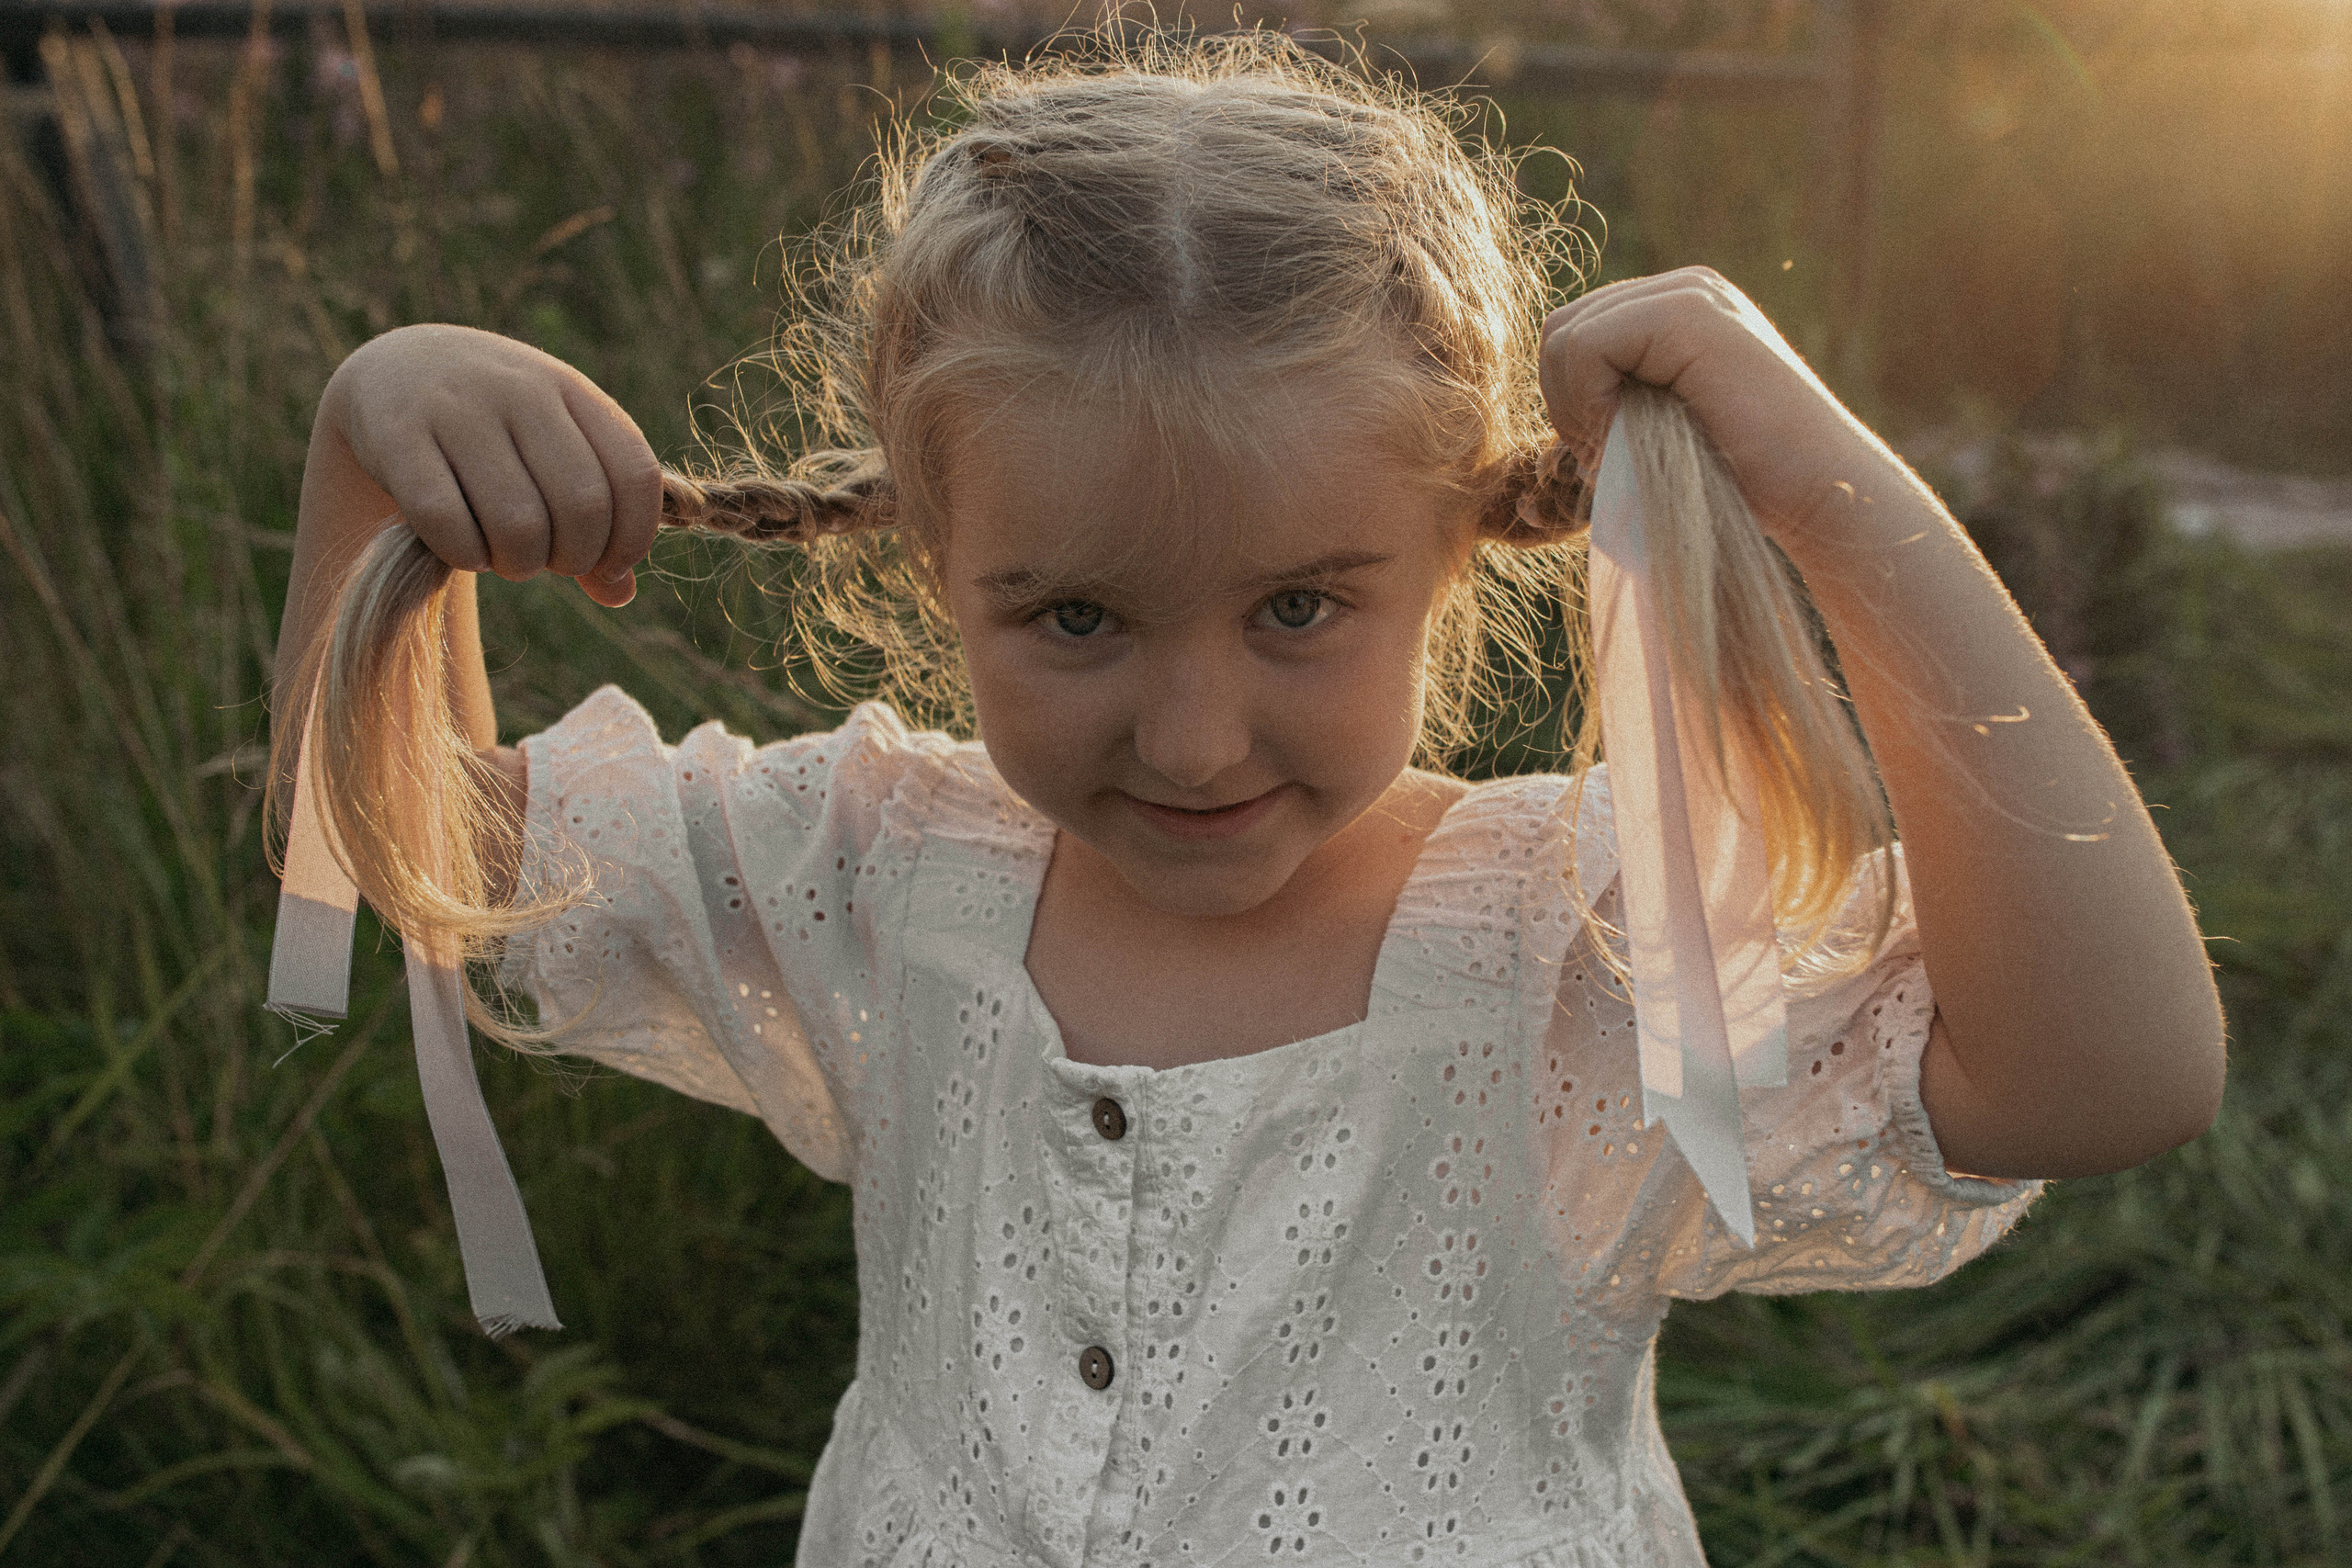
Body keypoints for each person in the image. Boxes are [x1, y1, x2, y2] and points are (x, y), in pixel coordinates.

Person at [269, 31, 2225, 1567]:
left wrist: (1810, 477)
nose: (1195, 739)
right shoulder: (871, 871)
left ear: (1459, 546)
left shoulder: (1575, 945)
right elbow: (395, 846)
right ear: (931, 560)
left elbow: (2105, 1075)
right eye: (1076, 616)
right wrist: (371, 452)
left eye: (1298, 605)